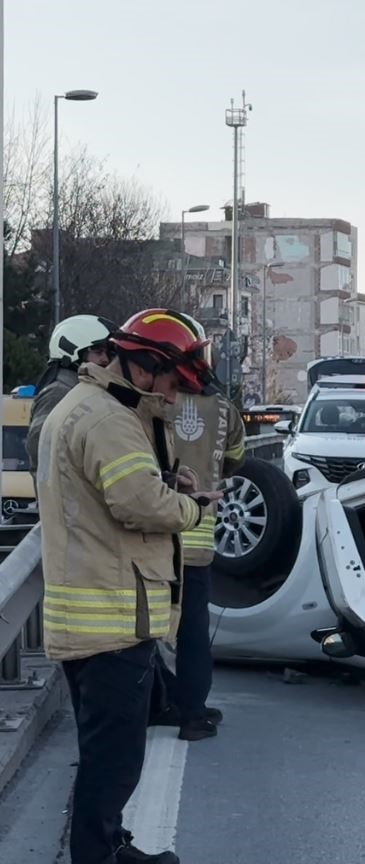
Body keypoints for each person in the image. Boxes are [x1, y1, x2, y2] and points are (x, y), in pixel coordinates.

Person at [38, 308, 223, 864]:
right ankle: (97, 854)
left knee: (109, 753)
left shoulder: (98, 409)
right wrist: (189, 506)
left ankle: (109, 845)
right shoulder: (107, 419)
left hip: (104, 610)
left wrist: (166, 480)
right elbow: (135, 504)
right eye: (171, 383)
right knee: (114, 760)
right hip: (110, 620)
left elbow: (111, 490)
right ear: (145, 367)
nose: (172, 396)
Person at [150, 312, 246, 742]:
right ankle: (192, 714)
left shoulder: (152, 400)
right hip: (198, 538)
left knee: (143, 629)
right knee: (192, 632)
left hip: (152, 532)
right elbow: (237, 457)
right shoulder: (223, 407)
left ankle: (156, 702)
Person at [27, 314, 116, 474]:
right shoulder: (57, 392)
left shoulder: (84, 389)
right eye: (98, 351)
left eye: (108, 353)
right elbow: (39, 448)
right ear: (71, 350)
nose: (105, 359)